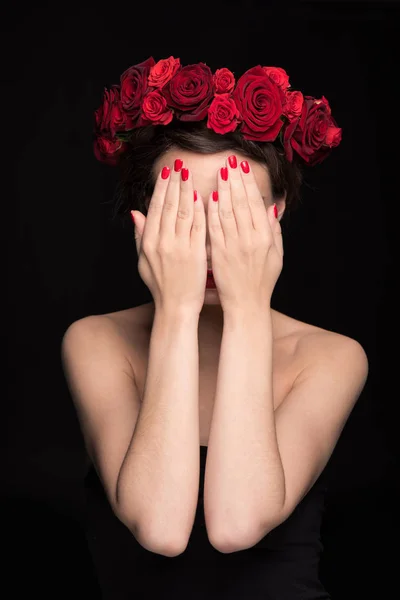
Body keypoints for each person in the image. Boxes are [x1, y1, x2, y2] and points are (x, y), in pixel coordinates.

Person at [61, 56, 369, 599]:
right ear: (143, 218)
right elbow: (159, 529)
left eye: (232, 212)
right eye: (182, 211)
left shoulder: (334, 356)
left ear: (276, 215)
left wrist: (249, 307)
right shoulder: (95, 341)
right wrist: (176, 311)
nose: (208, 241)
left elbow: (234, 524)